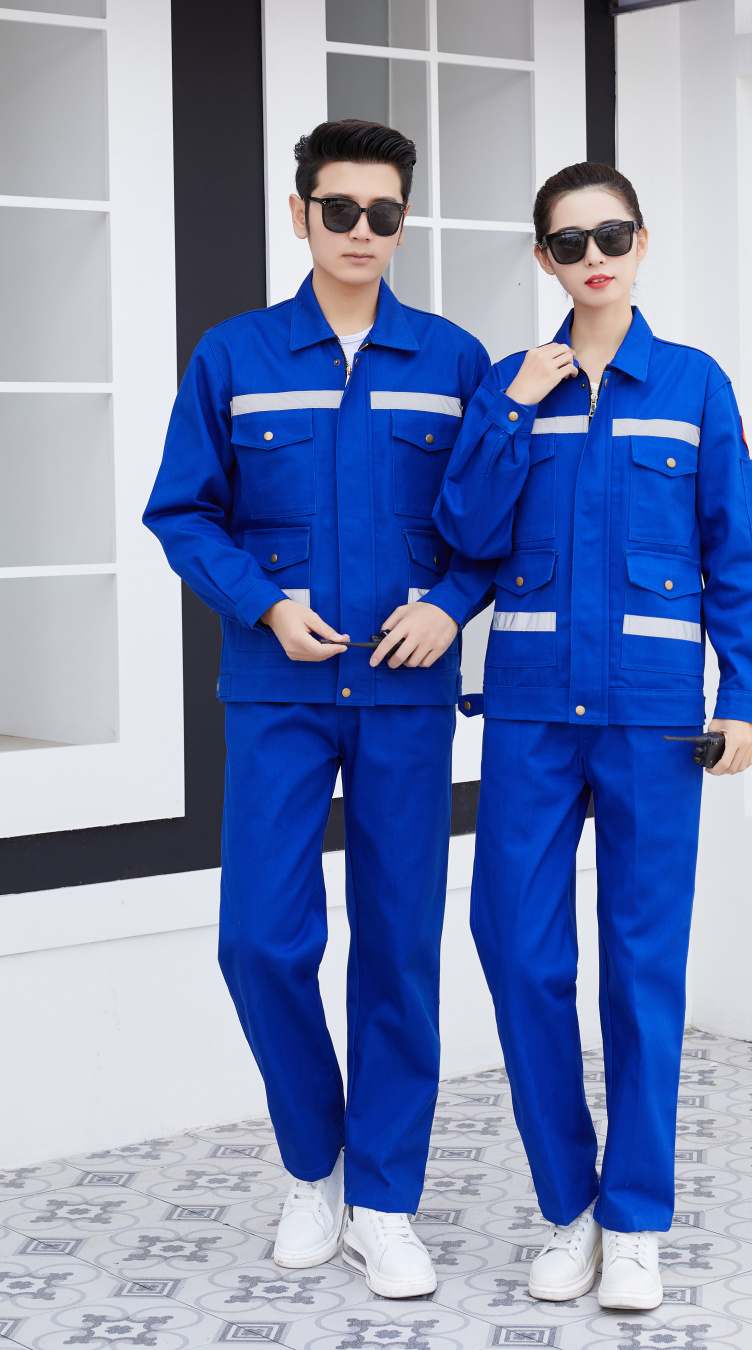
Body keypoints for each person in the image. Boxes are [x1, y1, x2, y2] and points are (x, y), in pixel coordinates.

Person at [144, 120, 493, 1299]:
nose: (360, 232)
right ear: (299, 214)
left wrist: (451, 605)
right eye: (338, 209)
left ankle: (383, 1202)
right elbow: (182, 511)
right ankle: (314, 1168)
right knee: (260, 940)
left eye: (382, 214)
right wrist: (263, 604)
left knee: (397, 947)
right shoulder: (235, 354)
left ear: (403, 223)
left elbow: (491, 520)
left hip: (406, 696)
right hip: (278, 688)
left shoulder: (452, 359)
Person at [434, 161, 752, 1312]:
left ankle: (633, 1222)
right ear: (544, 258)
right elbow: (466, 529)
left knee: (641, 968)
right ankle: (568, 1207)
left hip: (652, 720)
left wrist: (742, 697)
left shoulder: (692, 384)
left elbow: (738, 551)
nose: (593, 258)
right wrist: (509, 409)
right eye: (570, 242)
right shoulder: (510, 382)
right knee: (517, 950)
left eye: (611, 235)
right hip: (531, 715)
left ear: (641, 243)